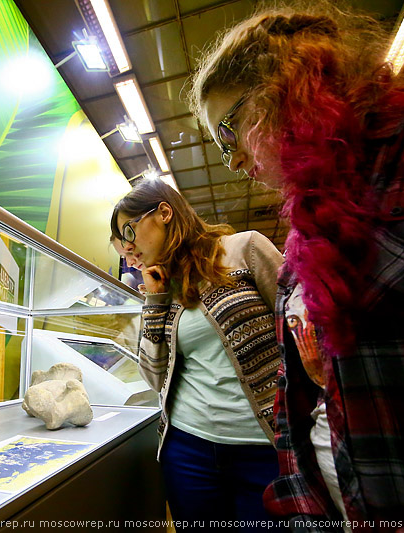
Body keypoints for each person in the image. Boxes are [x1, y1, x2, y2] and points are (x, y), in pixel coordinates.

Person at [187, 0, 404, 527]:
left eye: (228, 133)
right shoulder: (303, 242)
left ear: (285, 84)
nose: (235, 160)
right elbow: (297, 408)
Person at [110, 177, 285, 531]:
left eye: (128, 234)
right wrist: (155, 301)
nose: (129, 253)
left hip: (264, 448)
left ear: (163, 212)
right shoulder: (162, 286)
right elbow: (153, 376)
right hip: (189, 451)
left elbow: (301, 328)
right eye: (122, 251)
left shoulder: (244, 249)